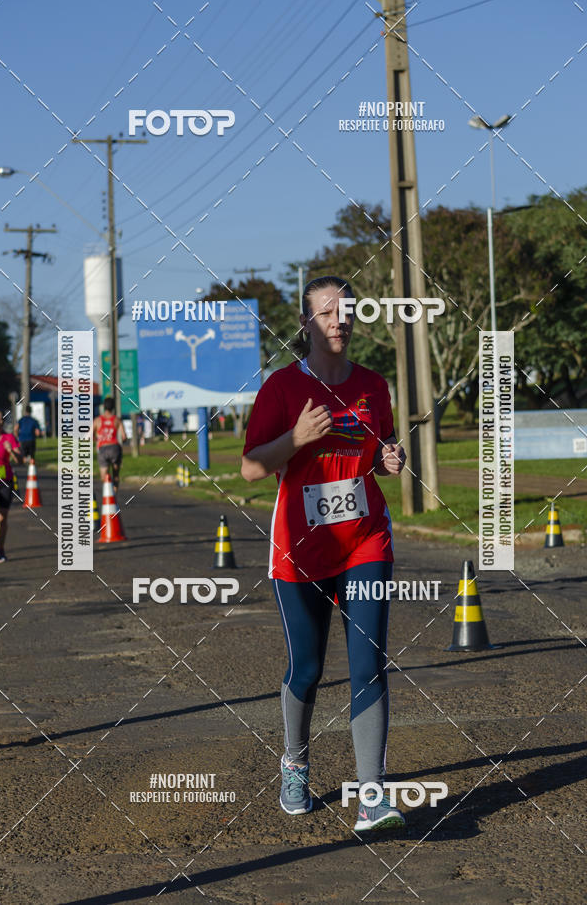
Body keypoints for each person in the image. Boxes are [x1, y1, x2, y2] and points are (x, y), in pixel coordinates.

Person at [241, 276, 407, 832]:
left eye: (347, 311)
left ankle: (372, 797)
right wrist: (297, 438)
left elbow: (380, 444)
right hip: (302, 548)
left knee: (368, 661)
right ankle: (295, 760)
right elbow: (250, 467)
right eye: (327, 313)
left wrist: (389, 457)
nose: (340, 320)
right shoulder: (282, 389)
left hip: (366, 539)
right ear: (307, 324)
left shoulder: (374, 386)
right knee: (308, 667)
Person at [0, 409, 22, 563]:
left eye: (0, 419)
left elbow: (20, 461)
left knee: (2, 519)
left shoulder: (9, 438)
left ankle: (0, 550)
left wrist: (12, 452)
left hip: (5, 483)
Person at [93, 397, 127, 491]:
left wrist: (97, 439)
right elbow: (124, 437)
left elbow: (89, 435)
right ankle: (114, 496)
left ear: (104, 407)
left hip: (103, 449)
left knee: (104, 477)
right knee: (116, 475)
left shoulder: (97, 420)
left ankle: (108, 495)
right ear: (113, 408)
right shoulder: (117, 420)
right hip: (115, 448)